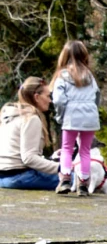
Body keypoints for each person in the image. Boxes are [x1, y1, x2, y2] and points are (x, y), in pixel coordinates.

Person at [50, 40, 101, 196]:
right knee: (85, 150)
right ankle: (83, 184)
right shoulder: (90, 76)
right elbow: (97, 95)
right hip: (90, 116)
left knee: (67, 148)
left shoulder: (62, 76)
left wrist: (60, 116)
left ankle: (65, 179)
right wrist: (93, 111)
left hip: (71, 116)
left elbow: (58, 99)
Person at [0, 77, 60, 190]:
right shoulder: (31, 119)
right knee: (77, 178)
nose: (50, 101)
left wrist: (52, 159)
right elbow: (29, 158)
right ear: (37, 97)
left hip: (3, 178)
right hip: (20, 177)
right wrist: (63, 167)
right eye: (47, 96)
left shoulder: (9, 116)